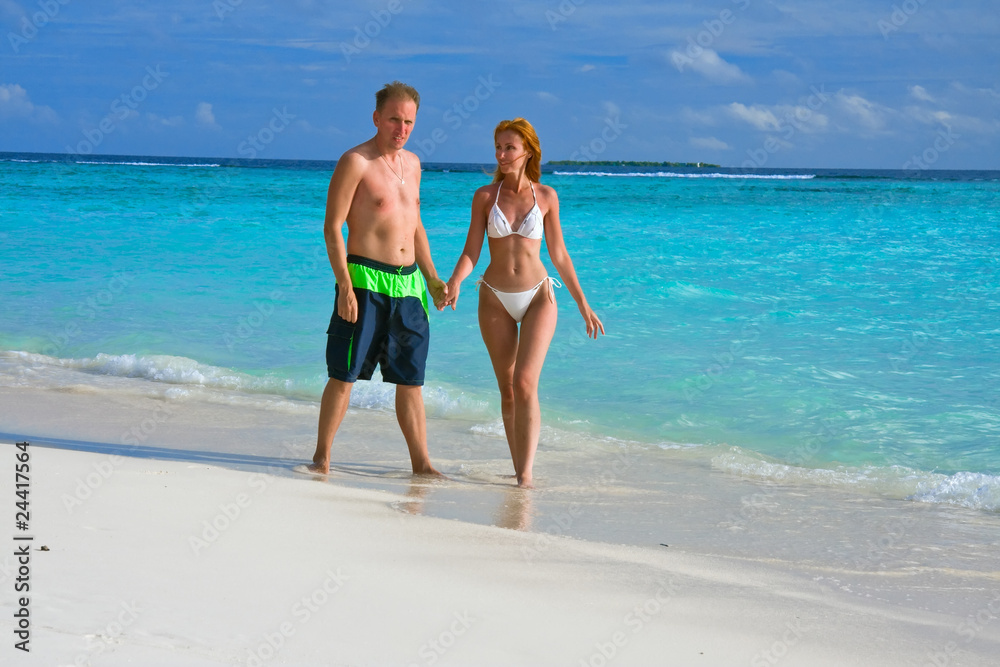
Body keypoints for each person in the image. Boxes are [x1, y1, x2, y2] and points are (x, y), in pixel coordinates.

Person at [442, 118, 604, 488]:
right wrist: (455, 282)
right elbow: (471, 251)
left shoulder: (546, 196)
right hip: (494, 297)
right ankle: (517, 470)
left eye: (509, 148)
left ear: (527, 150)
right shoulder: (485, 197)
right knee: (507, 388)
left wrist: (582, 303)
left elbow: (559, 254)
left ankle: (527, 476)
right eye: (498, 147)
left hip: (538, 296)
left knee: (526, 381)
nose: (501, 154)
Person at [309, 81, 447, 476]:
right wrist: (344, 286)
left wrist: (433, 279)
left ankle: (422, 464)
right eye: (393, 120)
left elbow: (415, 226)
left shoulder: (415, 165)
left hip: (408, 286)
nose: (400, 129)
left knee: (411, 380)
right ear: (376, 118)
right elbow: (332, 226)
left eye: (408, 122)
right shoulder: (356, 162)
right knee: (344, 375)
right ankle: (322, 458)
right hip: (364, 282)